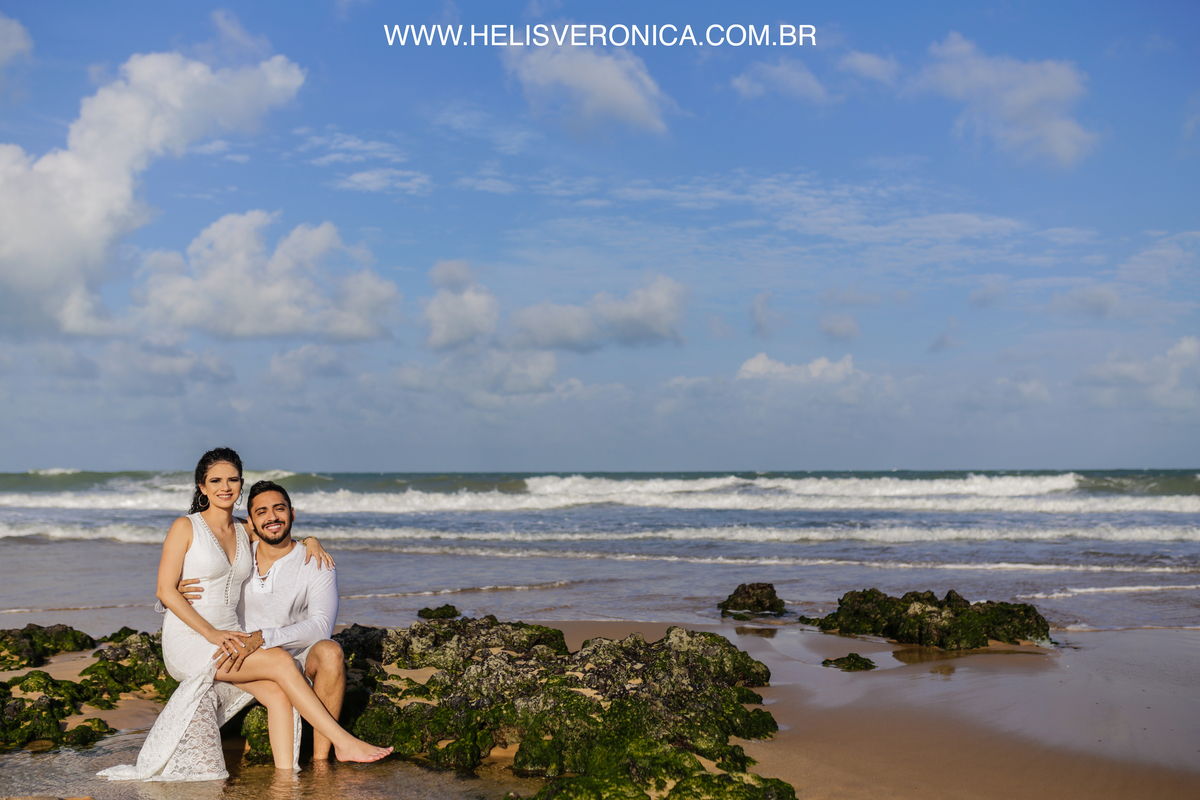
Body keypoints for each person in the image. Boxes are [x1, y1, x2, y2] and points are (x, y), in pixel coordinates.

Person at [99, 448, 391, 782]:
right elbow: (165, 590)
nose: (225, 486)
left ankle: (287, 778)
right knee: (281, 662)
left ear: (240, 484)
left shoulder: (244, 530)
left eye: (233, 479)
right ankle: (343, 741)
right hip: (193, 640)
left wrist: (312, 539)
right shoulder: (185, 526)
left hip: (229, 635)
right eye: (216, 480)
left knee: (278, 690)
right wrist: (210, 633)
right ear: (202, 487)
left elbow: (278, 533)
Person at [177, 478, 346, 761]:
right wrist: (177, 593)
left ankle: (321, 760)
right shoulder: (237, 557)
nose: (272, 517)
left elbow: (320, 628)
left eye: (279, 509)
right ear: (251, 524)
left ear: (292, 514)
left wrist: (263, 638)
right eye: (262, 512)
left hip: (294, 658)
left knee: (331, 651)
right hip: (240, 660)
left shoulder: (316, 561)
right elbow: (201, 591)